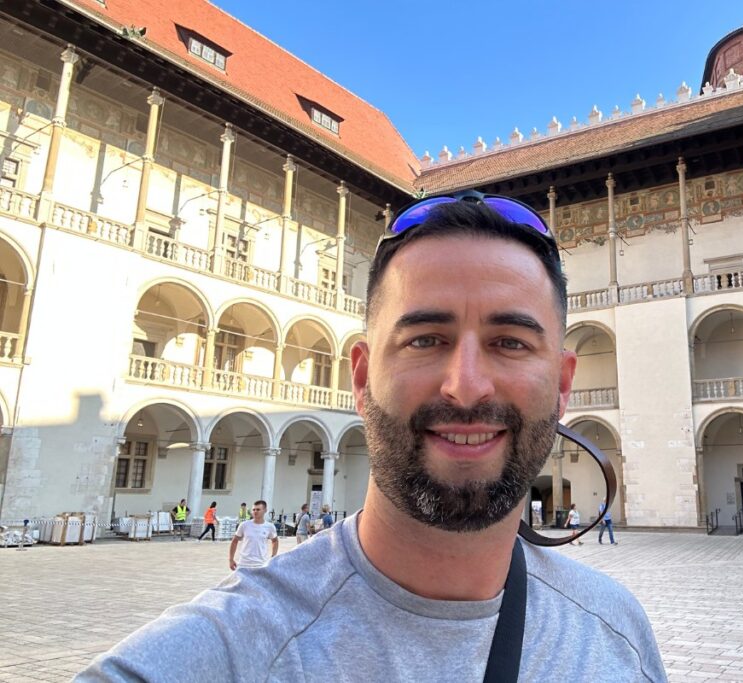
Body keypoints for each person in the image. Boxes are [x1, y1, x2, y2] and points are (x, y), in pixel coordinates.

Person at [80, 192, 666, 681]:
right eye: (425, 339)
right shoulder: (229, 651)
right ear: (361, 377)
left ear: (563, 385)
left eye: (510, 342)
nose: (465, 387)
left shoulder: (618, 635)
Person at [229, 500, 278, 570]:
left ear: (265, 510)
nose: (255, 511)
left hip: (261, 564)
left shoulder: (270, 527)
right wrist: (231, 559)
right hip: (244, 564)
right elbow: (234, 541)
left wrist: (273, 557)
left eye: (258, 509)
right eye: (253, 510)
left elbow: (275, 540)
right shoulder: (244, 525)